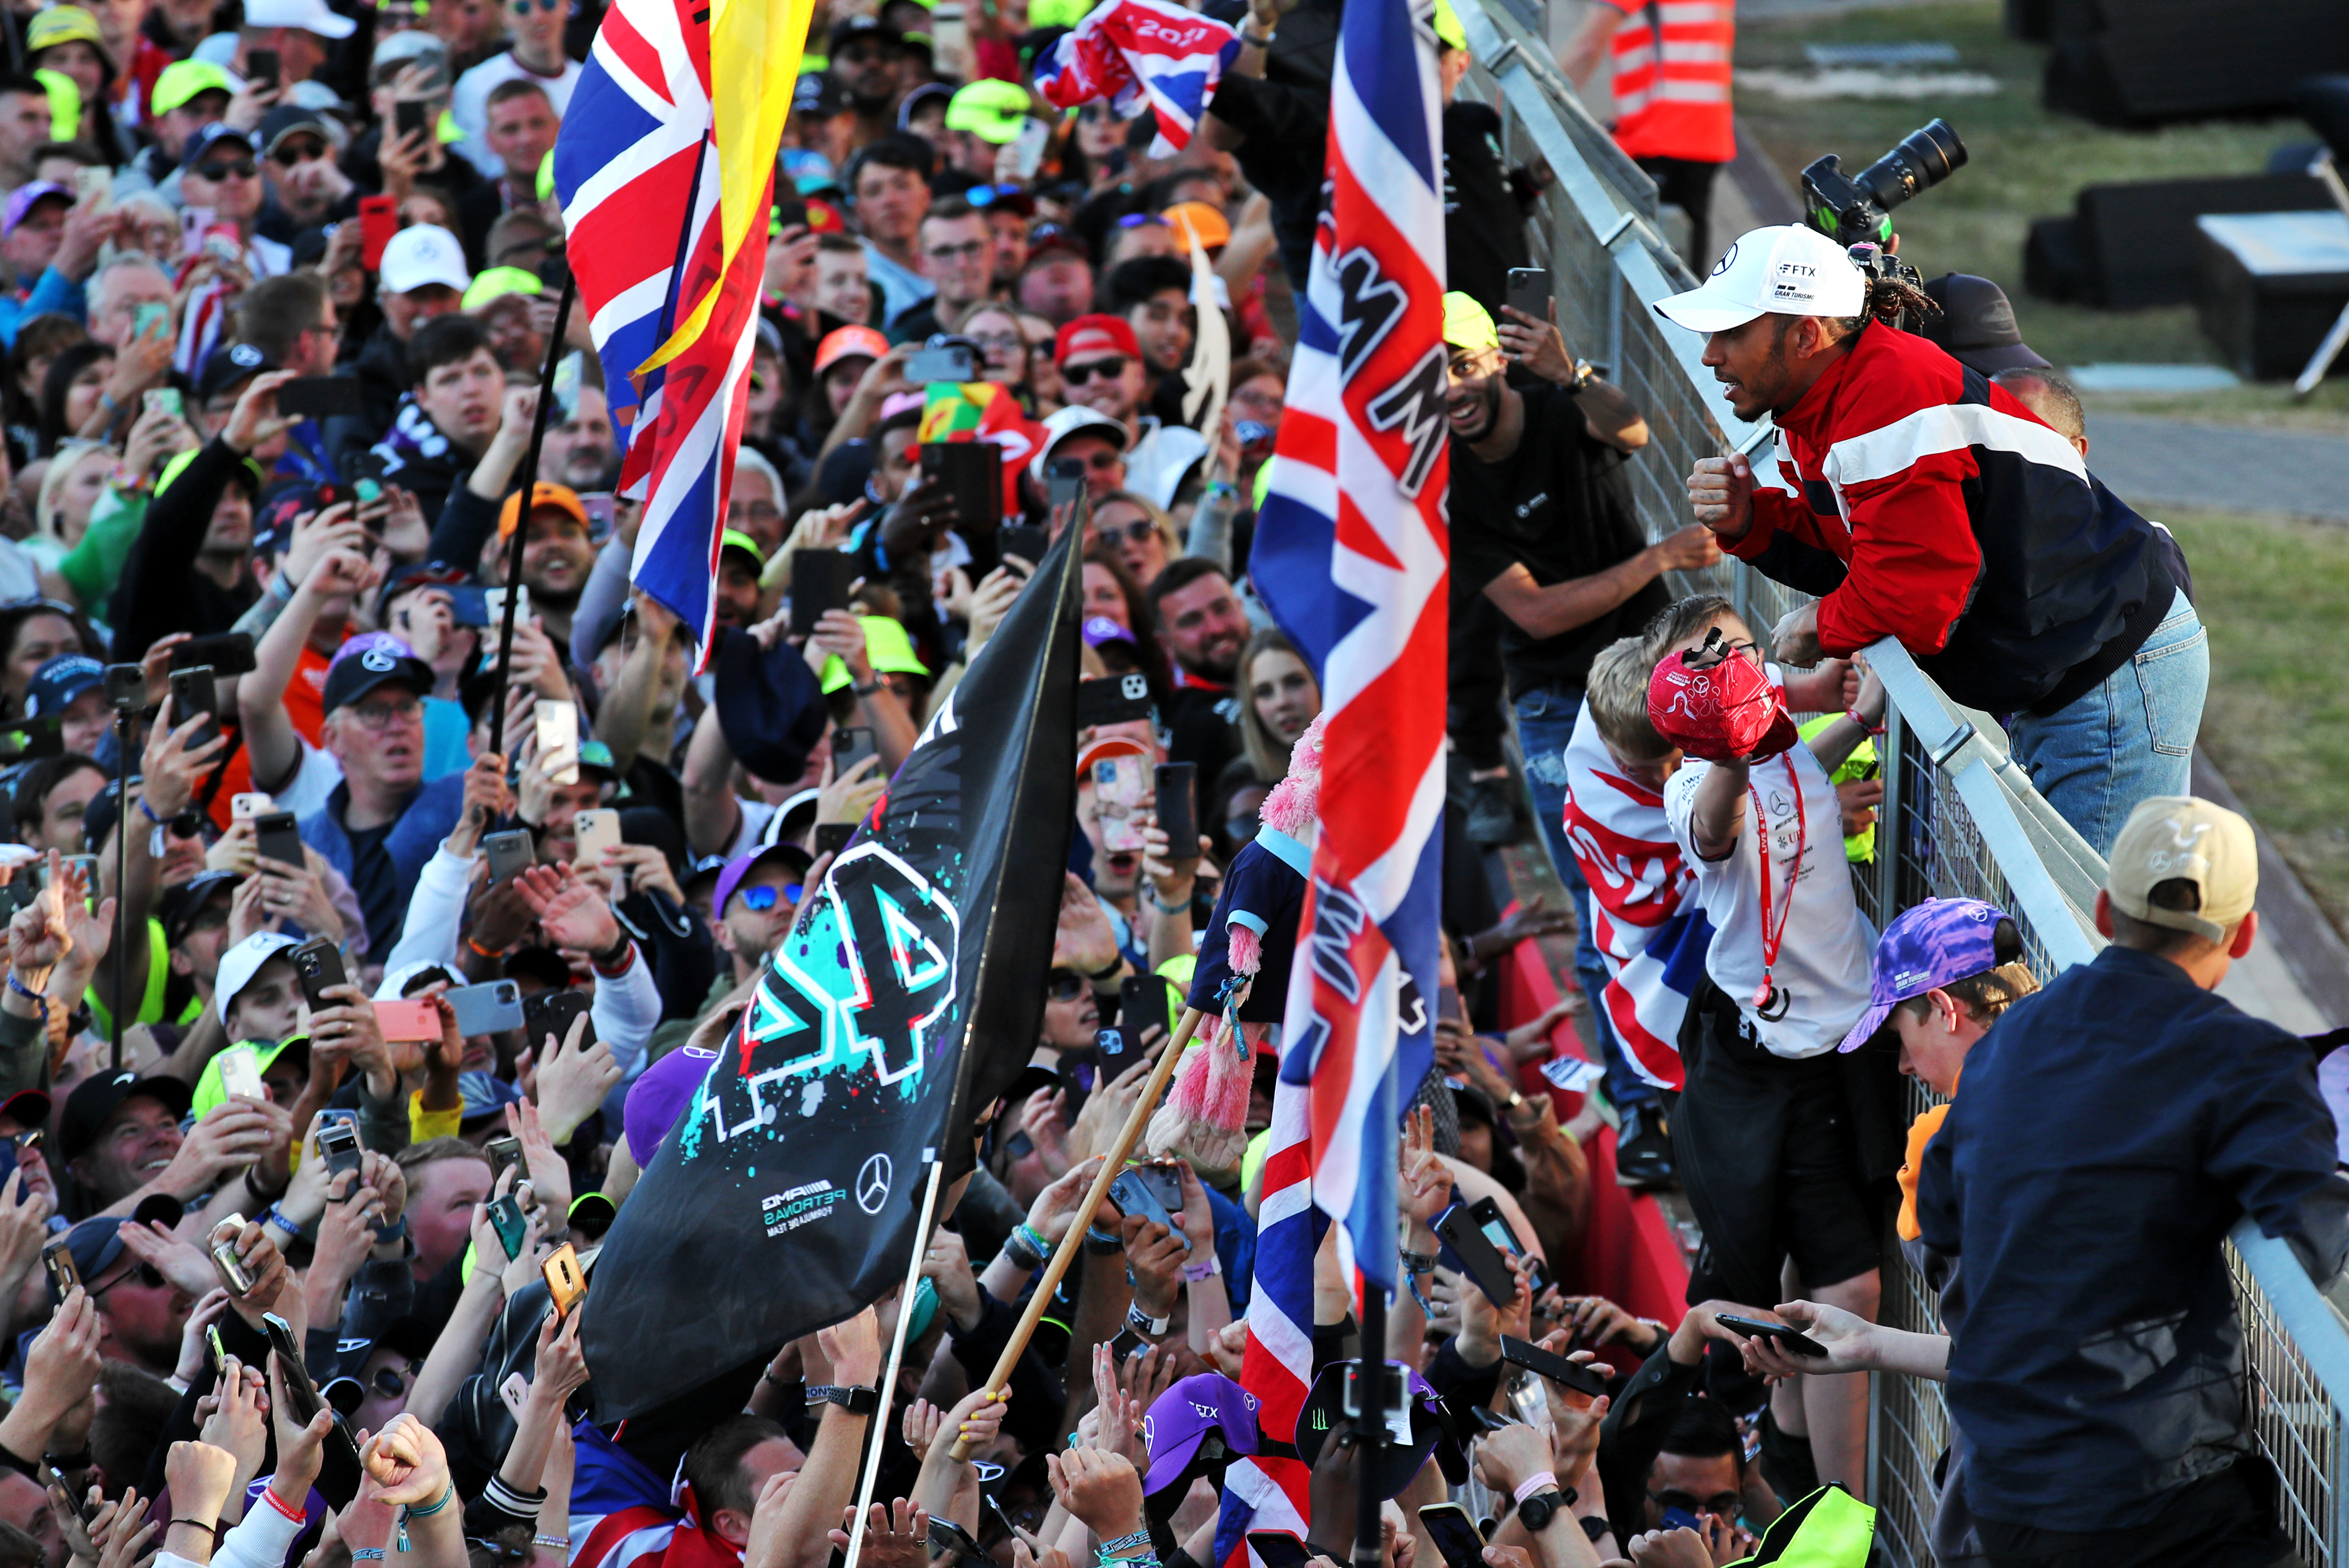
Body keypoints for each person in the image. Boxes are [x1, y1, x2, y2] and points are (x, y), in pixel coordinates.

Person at [1667, 225, 2205, 854]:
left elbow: (1917, 598)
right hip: (2080, 666)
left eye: (1730, 333)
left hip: (2106, 674)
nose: (1710, 355)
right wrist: (1749, 522)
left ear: (1806, 335)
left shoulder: (1886, 398)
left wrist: (1823, 625)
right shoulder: (1814, 404)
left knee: (2094, 930)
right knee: (2082, 926)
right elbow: (1855, 551)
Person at [1918, 796, 2349, 1568]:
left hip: (2001, 1486)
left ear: (2104, 907)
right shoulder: (2247, 1060)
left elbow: (1942, 1219)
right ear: (2245, 934)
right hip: (2154, 1493)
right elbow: (2315, 1237)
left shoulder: (2006, 1041)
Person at [1444, 289, 1714, 1178]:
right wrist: (1659, 560)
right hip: (1562, 703)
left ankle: (1715, 1071)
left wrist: (1574, 370)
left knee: (1713, 863)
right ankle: (1643, 1113)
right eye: (1429, 375)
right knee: (1609, 906)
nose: (1450, 387)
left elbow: (1631, 430)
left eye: (1461, 361)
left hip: (1659, 673)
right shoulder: (1444, 481)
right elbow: (1537, 611)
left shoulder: (1564, 403)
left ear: (1496, 357)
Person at [1654, 593, 1886, 1502]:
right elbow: (1719, 824)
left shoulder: (1784, 744)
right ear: (1679, 687)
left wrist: (1855, 716)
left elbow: (1796, 770)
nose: (1733, 665)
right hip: (1765, 1069)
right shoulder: (1692, 779)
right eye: (1706, 658)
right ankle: (1844, 1518)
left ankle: (1796, 1470)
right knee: (1843, 1291)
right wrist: (1727, 736)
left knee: (1823, 1284)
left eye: (1740, 649)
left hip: (1834, 1055)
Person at [1557, 0, 1734, 268]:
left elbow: (1587, 49)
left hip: (1659, 137)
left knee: (1651, 268)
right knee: (1682, 265)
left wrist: (1535, 102)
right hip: (1706, 133)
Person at [1052, 314, 1205, 510]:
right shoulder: (1046, 462)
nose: (1095, 382)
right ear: (1062, 386)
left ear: (1140, 375)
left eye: (1110, 368)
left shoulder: (1186, 448)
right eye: (1078, 375)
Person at [450, 0, 582, 179]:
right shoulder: (475, 84)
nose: (538, 17)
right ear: (504, 15)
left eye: (549, 5)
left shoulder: (588, 81)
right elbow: (474, 163)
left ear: (567, 6)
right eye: (522, 8)